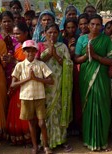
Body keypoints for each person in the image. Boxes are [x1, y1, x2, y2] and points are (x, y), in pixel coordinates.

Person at [75, 14, 112, 151]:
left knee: (102, 106)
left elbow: (111, 61)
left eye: (98, 24)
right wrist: (87, 55)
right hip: (86, 76)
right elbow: (76, 59)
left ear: (101, 26)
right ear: (88, 25)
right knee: (88, 107)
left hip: (101, 77)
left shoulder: (106, 40)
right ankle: (89, 139)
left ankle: (102, 141)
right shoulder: (81, 39)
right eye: (92, 24)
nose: (95, 27)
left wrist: (96, 56)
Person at [11, 40, 54, 154]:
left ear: (36, 52)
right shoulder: (19, 65)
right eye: (27, 51)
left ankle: (45, 146)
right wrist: (28, 79)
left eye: (32, 51)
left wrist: (37, 79)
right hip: (26, 97)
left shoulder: (40, 64)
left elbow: (51, 80)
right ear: (24, 52)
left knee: (41, 123)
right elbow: (13, 84)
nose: (30, 53)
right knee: (31, 123)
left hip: (40, 96)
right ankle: (35, 146)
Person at [38, 23, 74, 151]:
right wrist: (49, 52)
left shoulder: (63, 46)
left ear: (58, 34)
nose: (52, 35)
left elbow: (68, 63)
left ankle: (61, 140)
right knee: (46, 112)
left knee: (59, 110)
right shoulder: (40, 46)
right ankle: (46, 142)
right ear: (44, 34)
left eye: (54, 33)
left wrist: (56, 55)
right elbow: (37, 63)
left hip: (60, 84)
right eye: (49, 33)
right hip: (45, 84)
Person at [6, 22, 32, 145]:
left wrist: (14, 60)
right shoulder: (17, 47)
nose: (15, 36)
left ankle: (28, 137)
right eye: (14, 33)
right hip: (17, 80)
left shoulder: (30, 46)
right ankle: (18, 136)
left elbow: (30, 63)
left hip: (27, 81)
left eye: (18, 33)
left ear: (26, 33)